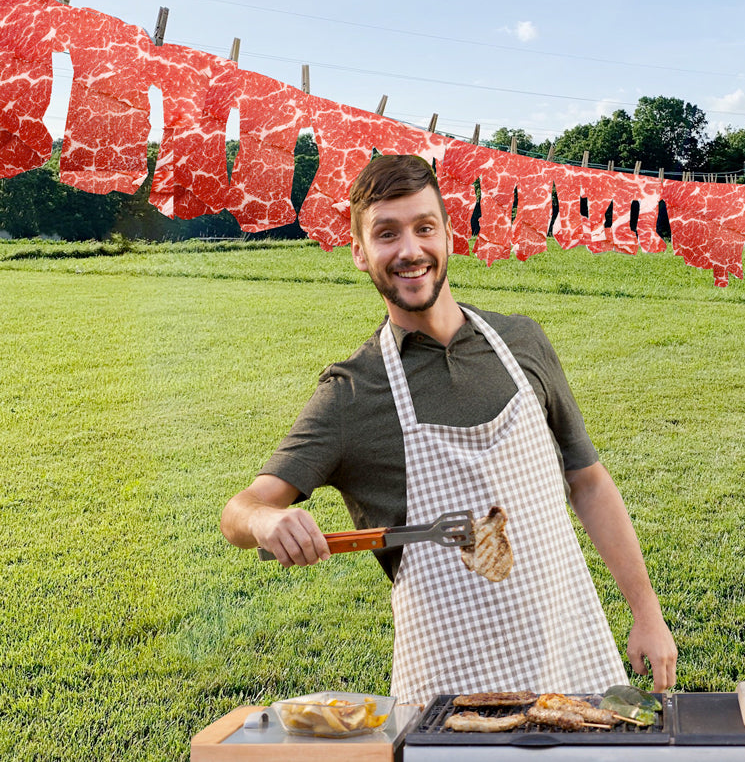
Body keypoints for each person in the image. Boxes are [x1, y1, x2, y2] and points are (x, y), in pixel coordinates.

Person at [220, 154, 677, 704]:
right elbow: (239, 512)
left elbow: (589, 483)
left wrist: (646, 612)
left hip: (570, 653)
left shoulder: (522, 343)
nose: (410, 250)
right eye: (387, 234)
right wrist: (267, 521)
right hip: (449, 696)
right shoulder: (353, 391)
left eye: (423, 228)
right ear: (360, 254)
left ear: (448, 237)